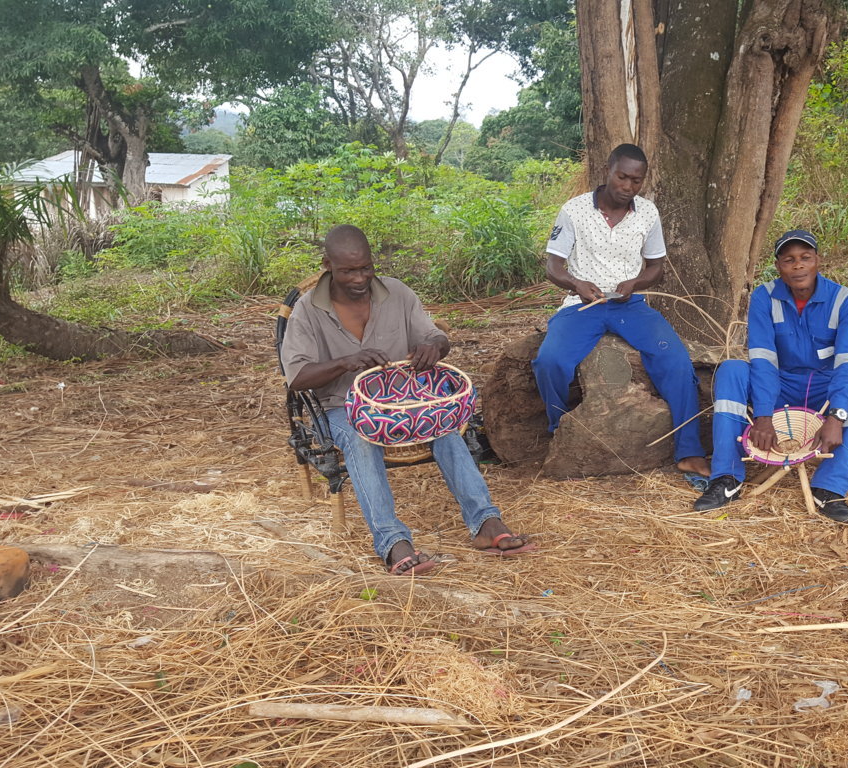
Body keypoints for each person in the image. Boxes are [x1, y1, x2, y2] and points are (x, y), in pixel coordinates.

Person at [280, 224, 534, 576]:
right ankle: (392, 542)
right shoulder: (308, 311)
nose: (359, 278)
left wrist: (434, 346)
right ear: (327, 265)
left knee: (445, 424)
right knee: (360, 436)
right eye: (348, 270)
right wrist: (345, 362)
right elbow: (297, 378)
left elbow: (435, 336)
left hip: (405, 401)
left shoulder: (396, 293)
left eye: (365, 267)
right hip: (342, 406)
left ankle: (485, 523)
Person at [532, 143, 710, 476]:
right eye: (622, 177)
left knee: (675, 360)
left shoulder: (648, 213)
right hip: (584, 305)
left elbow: (656, 267)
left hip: (629, 304)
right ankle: (560, 429)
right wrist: (577, 284)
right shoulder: (574, 210)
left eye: (636, 181)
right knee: (550, 362)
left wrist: (636, 283)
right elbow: (553, 266)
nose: (628, 187)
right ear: (608, 171)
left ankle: (689, 450)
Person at [692, 229, 848, 523]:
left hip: (825, 388)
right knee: (733, 370)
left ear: (817, 261)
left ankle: (829, 488)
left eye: (805, 258)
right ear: (778, 266)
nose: (798, 266)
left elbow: (846, 365)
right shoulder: (764, 297)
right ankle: (727, 478)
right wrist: (764, 414)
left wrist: (836, 415)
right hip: (779, 386)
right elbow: (763, 359)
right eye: (789, 260)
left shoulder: (845, 301)